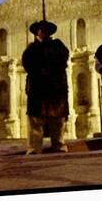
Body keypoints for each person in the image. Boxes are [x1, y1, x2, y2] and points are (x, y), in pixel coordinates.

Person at [21, 19, 70, 155]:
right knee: (36, 120)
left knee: (57, 119)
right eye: (41, 30)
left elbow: (63, 58)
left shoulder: (57, 45)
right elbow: (27, 64)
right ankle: (33, 147)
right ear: (37, 32)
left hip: (55, 88)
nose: (43, 32)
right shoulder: (31, 49)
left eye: (45, 30)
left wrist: (50, 60)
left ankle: (59, 144)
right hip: (38, 89)